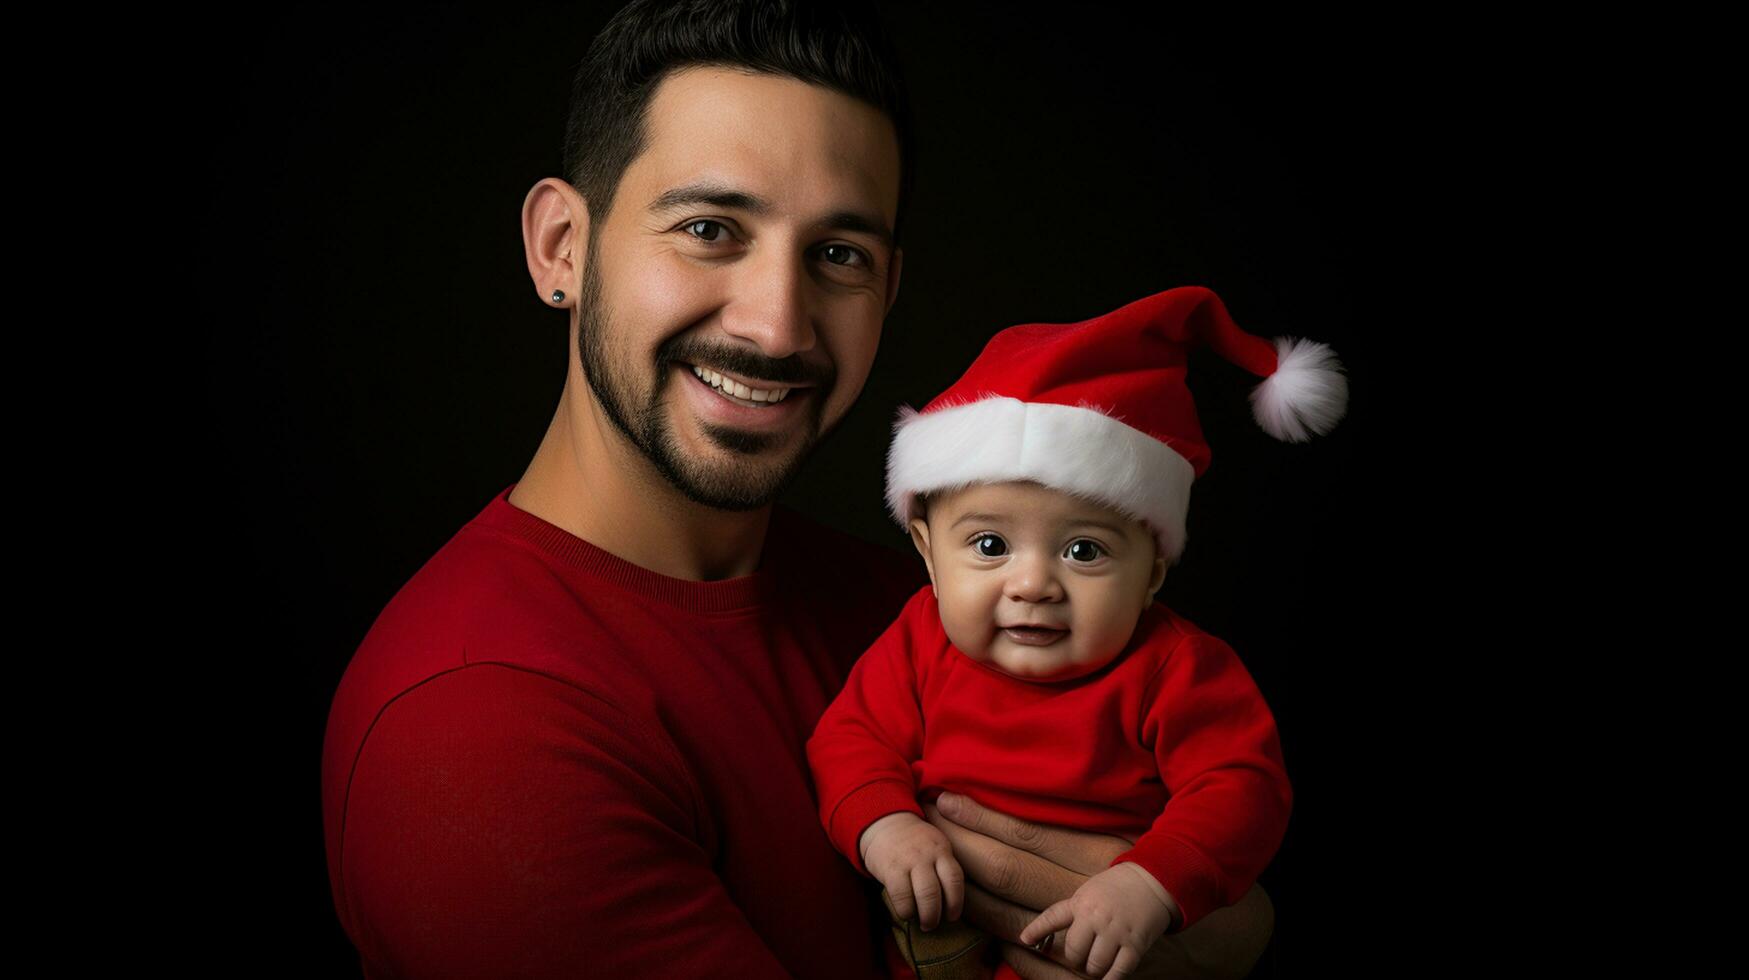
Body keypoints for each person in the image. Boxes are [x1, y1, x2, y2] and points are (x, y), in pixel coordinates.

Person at [320, 2, 1279, 978]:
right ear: (562, 245)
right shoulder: (475, 734)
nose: (779, 325)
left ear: (889, 288)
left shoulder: (915, 609)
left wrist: (1226, 925)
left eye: (838, 255)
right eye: (709, 228)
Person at [808, 287, 1345, 980]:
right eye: (990, 545)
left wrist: (1147, 882)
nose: (1032, 584)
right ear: (927, 554)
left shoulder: (1176, 667)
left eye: (1083, 551)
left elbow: (1241, 787)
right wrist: (885, 826)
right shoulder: (917, 640)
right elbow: (849, 740)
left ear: (1151, 571)